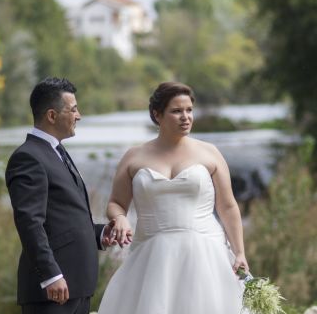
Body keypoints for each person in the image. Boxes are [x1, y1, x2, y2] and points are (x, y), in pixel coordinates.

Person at [98, 82, 250, 314]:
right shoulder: (134, 156)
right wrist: (119, 218)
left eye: (189, 110)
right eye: (177, 111)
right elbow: (116, 203)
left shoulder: (209, 153)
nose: (185, 117)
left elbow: (228, 206)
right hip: (150, 255)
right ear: (157, 115)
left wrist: (239, 252)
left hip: (205, 253)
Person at [5, 77, 115, 314]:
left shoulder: (57, 151)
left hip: (77, 286)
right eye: (73, 109)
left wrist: (100, 233)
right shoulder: (28, 157)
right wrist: (50, 274)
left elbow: (64, 217)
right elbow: (30, 222)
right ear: (52, 116)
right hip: (52, 290)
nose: (79, 116)